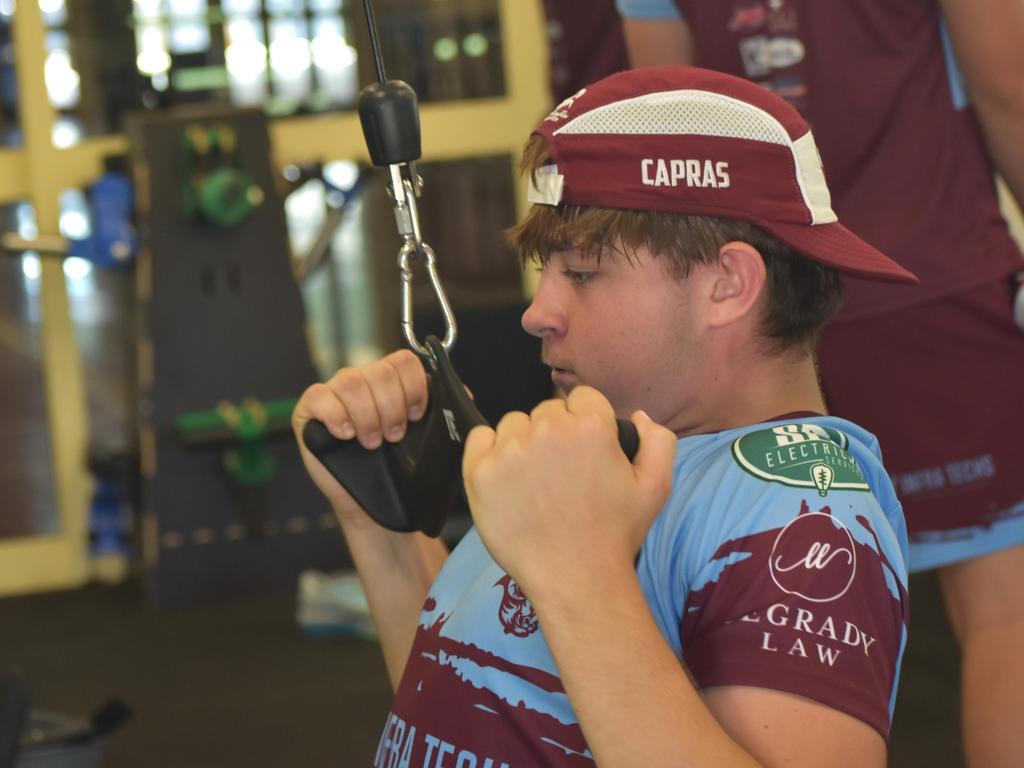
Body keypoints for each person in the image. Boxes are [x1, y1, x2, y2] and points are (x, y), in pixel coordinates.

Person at [293, 66, 915, 766]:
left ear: (728, 285)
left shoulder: (795, 504)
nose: (537, 313)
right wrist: (380, 529)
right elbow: (463, 700)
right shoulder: (615, 454)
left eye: (582, 273)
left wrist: (579, 573)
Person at [614, 3, 1024, 765]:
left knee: (735, 619)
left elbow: (661, 120)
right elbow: (1010, 89)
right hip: (929, 278)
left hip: (753, 309)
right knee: (1007, 616)